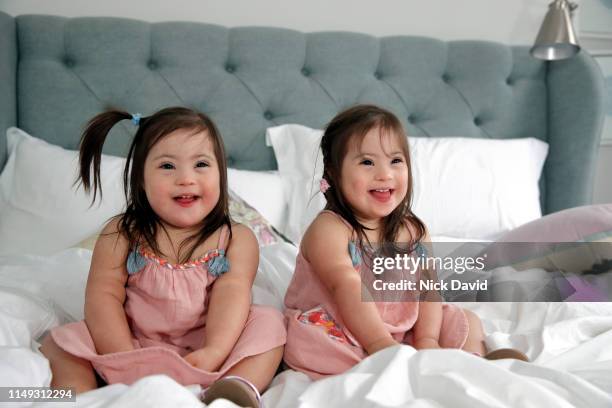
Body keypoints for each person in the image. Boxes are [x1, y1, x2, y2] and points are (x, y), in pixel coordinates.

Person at [40, 107, 286, 407]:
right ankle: (80, 395)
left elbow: (232, 294)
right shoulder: (122, 233)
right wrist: (122, 353)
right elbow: (102, 296)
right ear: (141, 179)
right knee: (62, 342)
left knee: (270, 324)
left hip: (209, 351)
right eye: (167, 166)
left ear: (221, 175)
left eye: (201, 164)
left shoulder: (236, 238)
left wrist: (215, 351)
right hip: (131, 344)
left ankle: (234, 388)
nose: (186, 178)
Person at [283, 105, 527, 379]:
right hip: (339, 323)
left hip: (399, 328)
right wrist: (381, 346)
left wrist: (427, 342)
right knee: (310, 341)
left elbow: (428, 290)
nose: (384, 174)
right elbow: (346, 287)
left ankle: (471, 362)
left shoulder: (413, 231)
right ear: (334, 173)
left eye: (395, 161)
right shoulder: (329, 230)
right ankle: (385, 365)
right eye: (367, 162)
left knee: (464, 320)